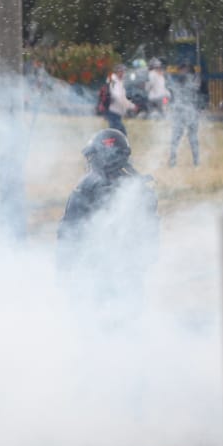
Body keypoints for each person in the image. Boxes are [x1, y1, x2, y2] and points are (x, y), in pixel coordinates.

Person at [57, 129, 158, 315]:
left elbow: (69, 230)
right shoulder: (140, 187)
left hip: (93, 276)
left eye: (92, 156)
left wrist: (64, 266)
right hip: (129, 276)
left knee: (92, 327)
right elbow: (150, 237)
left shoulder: (87, 186)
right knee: (129, 323)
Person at [168, 65, 204, 168]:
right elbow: (173, 96)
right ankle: (173, 160)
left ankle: (196, 161)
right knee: (176, 138)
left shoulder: (193, 82)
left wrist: (199, 109)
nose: (181, 73)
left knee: (192, 138)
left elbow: (200, 97)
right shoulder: (182, 82)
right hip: (180, 113)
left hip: (191, 113)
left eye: (183, 71)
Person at [105, 64, 136, 136]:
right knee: (120, 134)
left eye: (123, 72)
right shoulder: (114, 81)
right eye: (121, 72)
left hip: (117, 113)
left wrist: (131, 106)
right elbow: (118, 97)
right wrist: (131, 106)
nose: (123, 74)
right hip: (113, 112)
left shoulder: (119, 82)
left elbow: (122, 97)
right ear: (117, 72)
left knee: (117, 134)